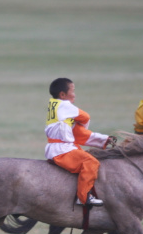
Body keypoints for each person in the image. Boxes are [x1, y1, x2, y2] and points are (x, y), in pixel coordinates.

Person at [45, 78, 113, 207]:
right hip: (62, 150)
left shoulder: (56, 108)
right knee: (90, 162)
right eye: (73, 90)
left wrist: (103, 139)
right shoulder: (65, 105)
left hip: (58, 148)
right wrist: (82, 123)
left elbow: (79, 135)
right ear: (63, 95)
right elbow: (85, 116)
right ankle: (84, 197)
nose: (75, 94)